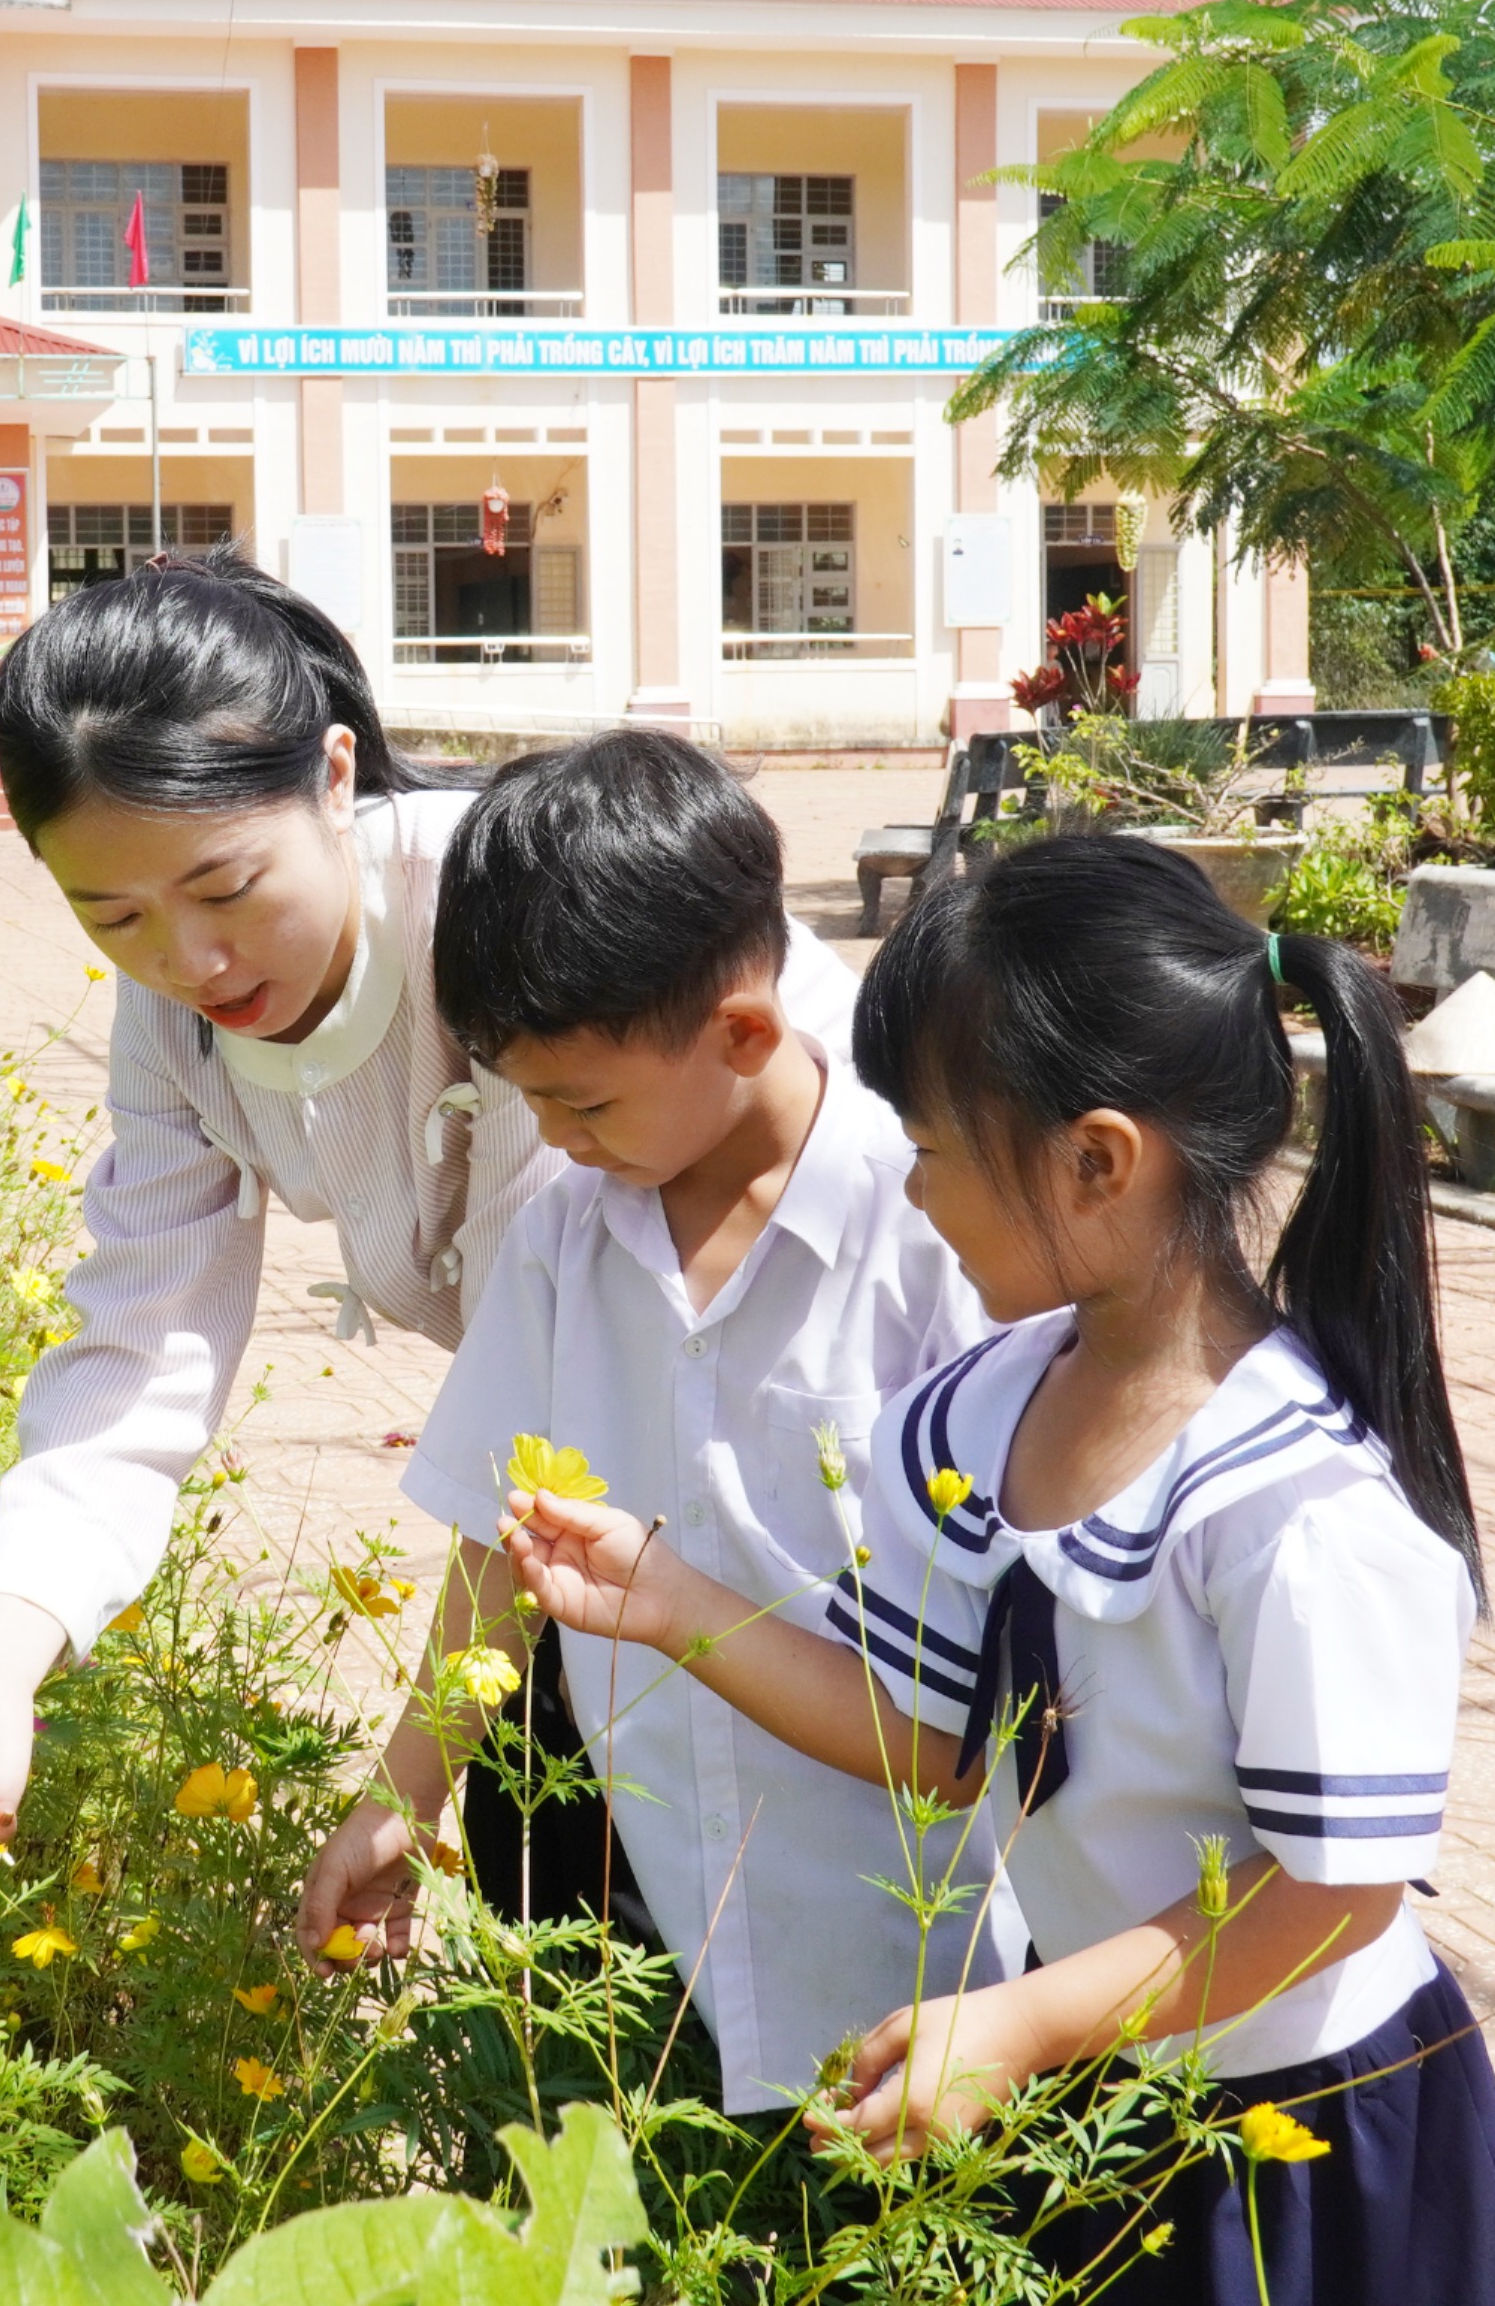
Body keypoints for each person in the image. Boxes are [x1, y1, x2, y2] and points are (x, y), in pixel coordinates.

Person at [499, 833, 1495, 2305]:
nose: (912, 1191)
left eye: (933, 1149)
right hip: (1101, 2090)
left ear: (1098, 1158)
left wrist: (1022, 2023)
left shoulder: (1294, 1511)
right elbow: (937, 1744)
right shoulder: (976, 1415)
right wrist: (673, 1607)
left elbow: (1334, 1899)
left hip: (1309, 2139)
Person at [0, 552, 856, 1868]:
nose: (190, 961)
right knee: (562, 1840)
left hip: (805, 1425)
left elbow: (544, 1385)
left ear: (335, 777)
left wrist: (405, 1785)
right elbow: (143, 1342)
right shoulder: (172, 1015)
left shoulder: (511, 925)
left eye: (226, 889)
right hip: (589, 1487)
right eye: (113, 916)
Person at [290, 729, 994, 2115]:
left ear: (743, 1031)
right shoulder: (567, 1240)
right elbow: (502, 1550)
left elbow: (1000, 1684)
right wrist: (402, 1792)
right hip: (657, 1938)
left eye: (584, 1100)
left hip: (923, 1972)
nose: (555, 1138)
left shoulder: (931, 1232)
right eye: (528, 1098)